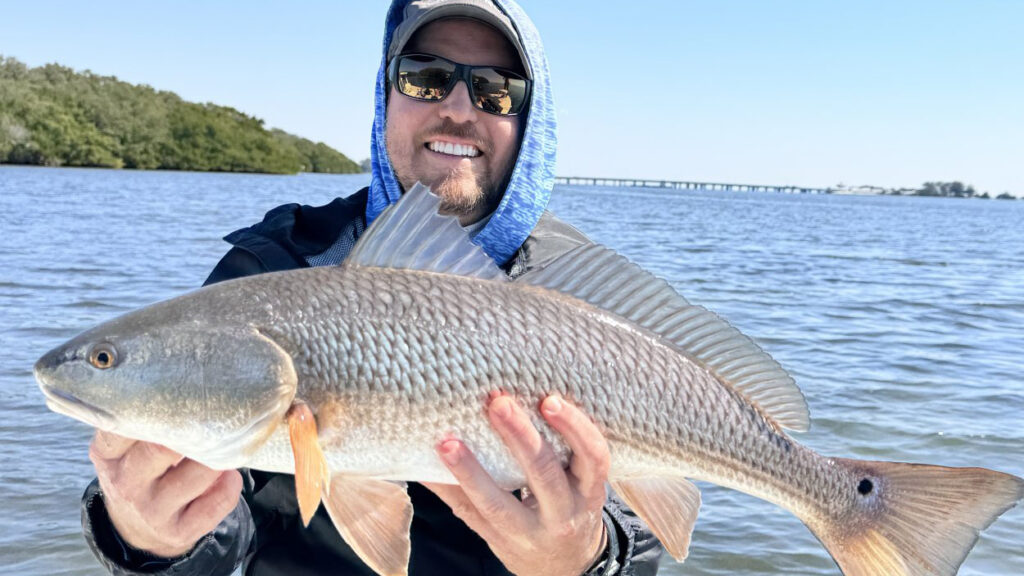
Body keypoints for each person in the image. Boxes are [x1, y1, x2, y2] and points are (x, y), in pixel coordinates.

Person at [81, 1, 664, 574]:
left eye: (496, 89)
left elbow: (642, 534)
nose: (459, 108)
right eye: (426, 77)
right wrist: (148, 539)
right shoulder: (272, 269)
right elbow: (227, 527)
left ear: (531, 121)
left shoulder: (586, 296)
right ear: (386, 94)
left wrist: (589, 559)